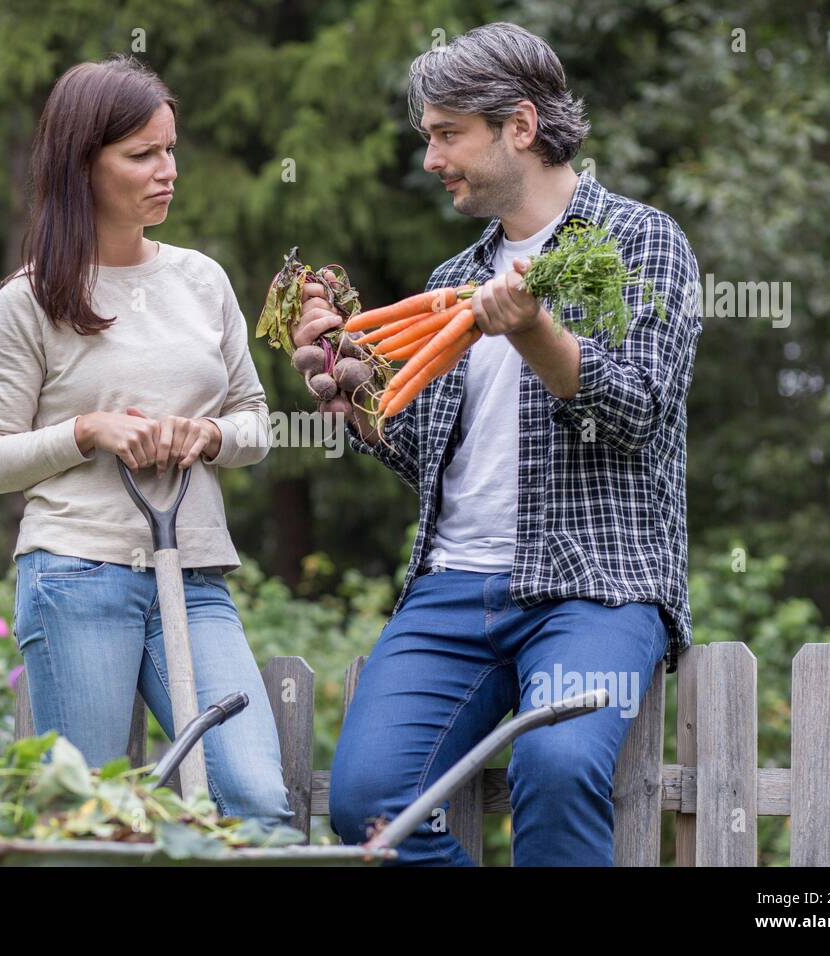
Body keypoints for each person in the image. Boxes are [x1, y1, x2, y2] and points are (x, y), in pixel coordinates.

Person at [291, 23, 703, 864]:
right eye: (429, 137)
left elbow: (642, 410)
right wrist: (348, 389)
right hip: (451, 589)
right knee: (370, 806)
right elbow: (422, 450)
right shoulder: (453, 280)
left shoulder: (641, 242)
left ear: (519, 126)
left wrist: (535, 333)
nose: (433, 158)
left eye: (448, 135)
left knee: (554, 768)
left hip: (597, 585)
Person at [0, 54, 293, 829]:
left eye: (170, 149)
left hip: (197, 576)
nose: (167, 170)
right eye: (142, 154)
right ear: (83, 164)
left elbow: (256, 424)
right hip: (76, 575)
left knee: (255, 799)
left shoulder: (202, 281)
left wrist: (207, 434)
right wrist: (85, 431)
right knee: (92, 817)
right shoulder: (27, 304)